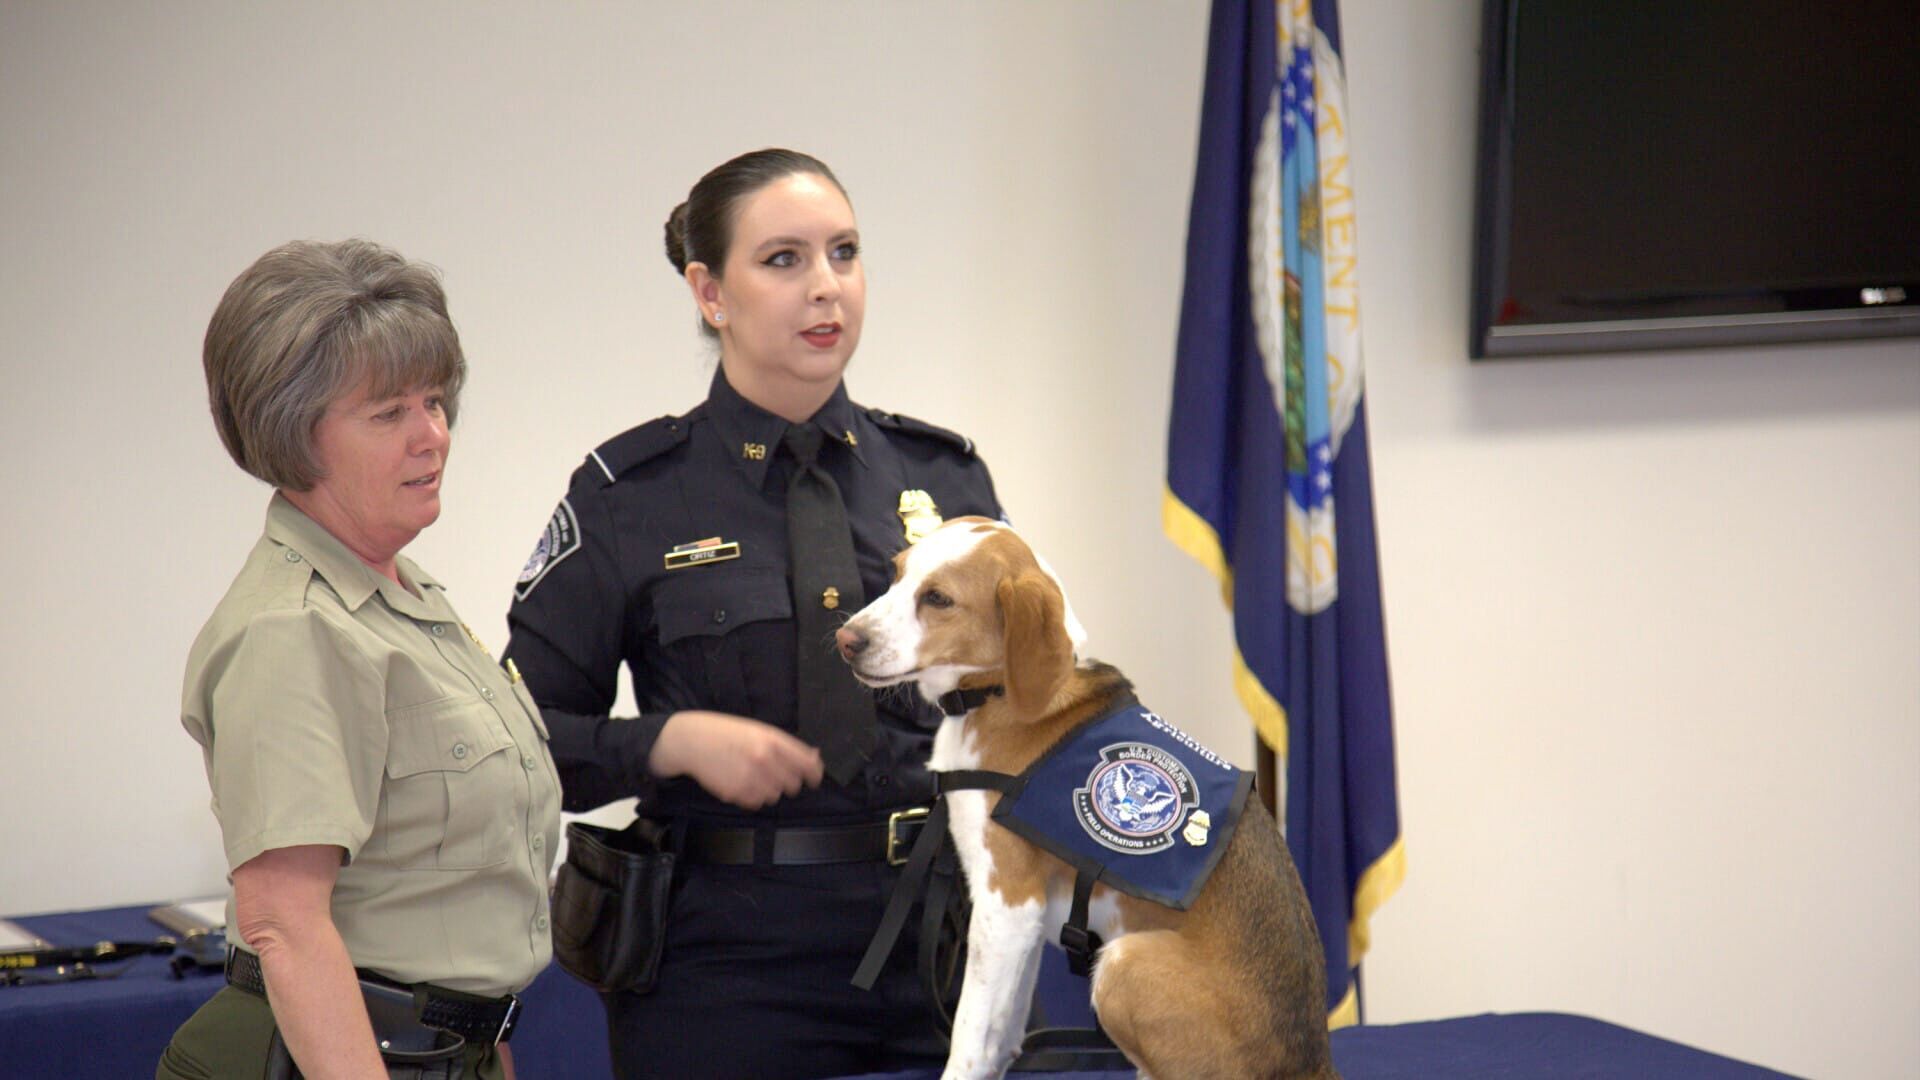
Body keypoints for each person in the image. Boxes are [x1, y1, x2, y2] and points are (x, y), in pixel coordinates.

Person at [504, 148, 1004, 1079]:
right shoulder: (630, 496)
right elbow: (516, 744)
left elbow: (1021, 704)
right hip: (725, 968)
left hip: (943, 942)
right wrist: (666, 743)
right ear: (710, 293)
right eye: (783, 260)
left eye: (844, 253)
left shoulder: (943, 478)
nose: (826, 286)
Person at [158, 240, 562, 1080]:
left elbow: (453, 897)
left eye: (435, 401)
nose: (432, 436)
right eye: (388, 414)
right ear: (294, 434)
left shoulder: (405, 596)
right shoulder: (294, 628)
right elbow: (285, 925)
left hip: (440, 1051)